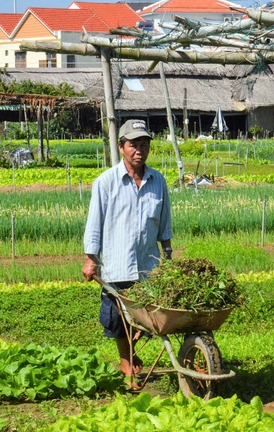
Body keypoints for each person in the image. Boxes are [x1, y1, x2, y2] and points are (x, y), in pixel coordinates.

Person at [82, 119, 173, 389]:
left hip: (148, 266)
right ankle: (127, 367)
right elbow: (94, 223)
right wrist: (91, 259)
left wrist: (167, 252)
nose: (139, 150)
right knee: (118, 321)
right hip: (116, 267)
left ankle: (131, 357)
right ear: (121, 147)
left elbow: (164, 223)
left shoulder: (158, 181)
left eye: (144, 145)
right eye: (133, 145)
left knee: (147, 320)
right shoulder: (106, 182)